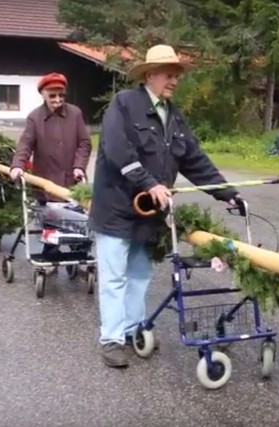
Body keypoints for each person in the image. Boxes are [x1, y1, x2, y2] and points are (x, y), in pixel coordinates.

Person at [88, 44, 242, 368]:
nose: (174, 80)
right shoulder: (124, 104)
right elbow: (116, 150)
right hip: (115, 209)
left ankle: (133, 330)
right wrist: (149, 183)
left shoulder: (174, 116)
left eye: (177, 75)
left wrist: (227, 193)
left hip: (148, 215)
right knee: (114, 277)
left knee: (140, 274)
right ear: (150, 74)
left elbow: (194, 160)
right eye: (169, 74)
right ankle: (112, 340)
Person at [9, 73, 92, 262]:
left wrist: (79, 166)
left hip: (72, 180)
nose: (57, 100)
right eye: (52, 95)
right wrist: (17, 166)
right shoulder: (34, 118)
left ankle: (77, 250)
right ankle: (51, 252)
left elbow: (84, 143)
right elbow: (25, 145)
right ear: (43, 94)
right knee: (51, 220)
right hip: (45, 180)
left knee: (75, 218)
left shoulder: (75, 114)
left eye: (61, 95)